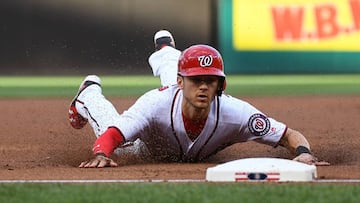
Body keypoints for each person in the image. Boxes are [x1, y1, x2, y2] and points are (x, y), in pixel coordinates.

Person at [68, 44, 329, 168]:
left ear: (221, 85)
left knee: (185, 84)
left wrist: (305, 152)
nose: (204, 86)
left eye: (210, 81)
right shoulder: (154, 103)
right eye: (197, 81)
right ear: (183, 82)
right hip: (146, 144)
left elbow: (287, 135)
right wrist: (101, 154)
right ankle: (88, 95)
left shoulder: (236, 113)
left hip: (179, 92)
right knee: (123, 147)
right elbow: (112, 135)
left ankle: (166, 51)